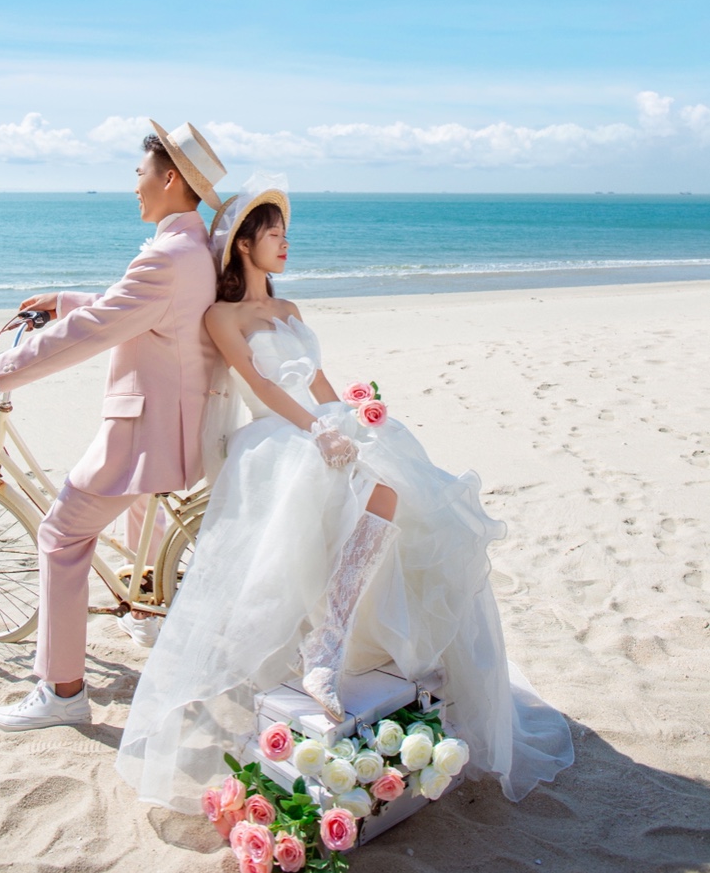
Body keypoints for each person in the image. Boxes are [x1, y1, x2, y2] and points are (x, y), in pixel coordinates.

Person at [115, 178, 574, 811]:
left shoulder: (290, 310)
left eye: (286, 234)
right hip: (275, 435)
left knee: (400, 482)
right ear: (244, 244)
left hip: (317, 423)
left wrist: (354, 419)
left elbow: (319, 383)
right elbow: (261, 386)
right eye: (274, 234)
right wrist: (317, 430)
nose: (285, 244)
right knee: (365, 484)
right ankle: (323, 651)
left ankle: (332, 640)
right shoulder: (224, 316)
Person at [0, 122, 226, 732]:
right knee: (136, 513)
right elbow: (133, 307)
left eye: (139, 173)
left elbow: (96, 330)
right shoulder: (196, 248)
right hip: (182, 426)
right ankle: (145, 615)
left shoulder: (165, 257)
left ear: (169, 178)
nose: (134, 184)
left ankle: (61, 690)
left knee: (61, 535)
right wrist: (67, 298)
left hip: (149, 431)